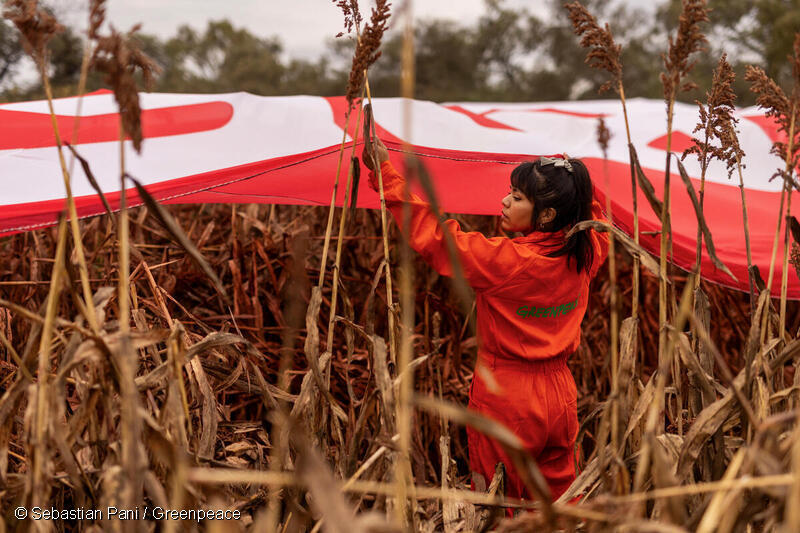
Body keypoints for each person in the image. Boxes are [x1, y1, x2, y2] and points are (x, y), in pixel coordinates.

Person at [361, 134, 609, 505]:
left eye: (519, 197)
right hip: (561, 396)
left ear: (547, 215)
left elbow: (436, 238)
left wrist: (385, 173)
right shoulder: (589, 251)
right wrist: (563, 170)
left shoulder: (508, 262)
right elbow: (594, 206)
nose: (505, 201)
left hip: (508, 396)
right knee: (562, 503)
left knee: (496, 504)